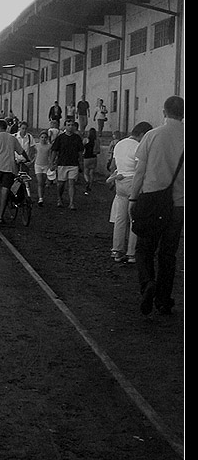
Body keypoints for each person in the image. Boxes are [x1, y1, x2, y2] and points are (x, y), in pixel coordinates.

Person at [129, 95, 184, 315]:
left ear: (164, 112)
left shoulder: (152, 136)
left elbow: (139, 172)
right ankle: (163, 300)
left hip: (152, 201)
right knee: (168, 254)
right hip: (179, 205)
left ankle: (147, 283)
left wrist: (133, 198)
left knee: (144, 248)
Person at [106, 121, 153, 264]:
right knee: (134, 218)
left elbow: (114, 165)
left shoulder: (119, 144)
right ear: (142, 134)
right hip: (133, 182)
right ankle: (131, 252)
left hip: (120, 181)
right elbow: (140, 169)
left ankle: (117, 250)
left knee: (120, 218)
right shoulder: (139, 146)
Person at [50, 120, 85, 210]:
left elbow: (80, 152)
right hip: (62, 163)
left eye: (72, 125)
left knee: (72, 183)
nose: (70, 127)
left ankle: (71, 202)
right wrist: (52, 162)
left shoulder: (77, 138)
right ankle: (59, 198)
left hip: (73, 164)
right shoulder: (60, 138)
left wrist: (81, 163)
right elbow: (54, 151)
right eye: (68, 125)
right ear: (65, 126)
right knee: (61, 184)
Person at [33, 130, 53, 206]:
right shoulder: (36, 145)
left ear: (47, 138)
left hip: (45, 165)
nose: (43, 139)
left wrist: (51, 163)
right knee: (40, 182)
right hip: (38, 165)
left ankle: (42, 196)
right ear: (39, 138)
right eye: (42, 137)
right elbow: (34, 154)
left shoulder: (49, 146)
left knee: (43, 183)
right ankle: (40, 198)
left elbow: (50, 156)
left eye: (45, 137)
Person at [82, 127, 100, 194]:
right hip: (94, 157)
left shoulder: (86, 140)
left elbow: (82, 147)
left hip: (87, 157)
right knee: (92, 172)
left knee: (86, 172)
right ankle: (90, 185)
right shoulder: (97, 140)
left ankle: (87, 181)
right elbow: (98, 150)